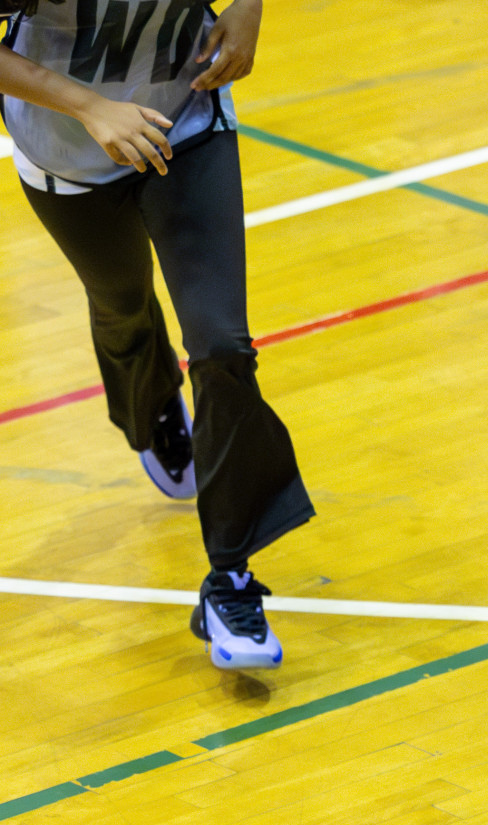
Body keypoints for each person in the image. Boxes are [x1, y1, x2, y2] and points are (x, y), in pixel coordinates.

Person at [1, 0, 312, 670]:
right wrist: (89, 105)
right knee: (121, 303)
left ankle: (230, 582)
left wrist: (251, 9)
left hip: (188, 122)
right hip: (67, 154)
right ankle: (151, 403)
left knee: (224, 346)